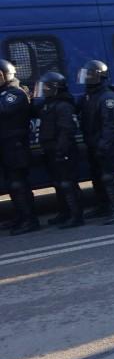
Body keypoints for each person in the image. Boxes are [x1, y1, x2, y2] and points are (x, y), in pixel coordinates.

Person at [77, 60, 114, 225]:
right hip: (93, 143)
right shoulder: (89, 95)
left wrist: (103, 145)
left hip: (107, 144)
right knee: (97, 177)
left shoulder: (107, 97)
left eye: (90, 75)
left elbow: (110, 125)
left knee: (109, 177)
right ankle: (103, 206)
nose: (87, 78)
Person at [33, 72, 83, 228]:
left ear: (55, 88)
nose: (44, 90)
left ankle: (76, 216)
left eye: (46, 87)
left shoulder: (63, 105)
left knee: (68, 183)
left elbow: (66, 130)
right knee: (58, 183)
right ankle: (64, 212)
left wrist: (61, 151)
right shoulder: (49, 104)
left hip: (62, 149)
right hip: (51, 149)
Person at [0, 59, 39, 234]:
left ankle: (29, 220)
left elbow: (4, 110)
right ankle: (20, 217)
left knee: (18, 183)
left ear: (5, 75)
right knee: (11, 183)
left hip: (15, 144)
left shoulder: (14, 93)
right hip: (6, 144)